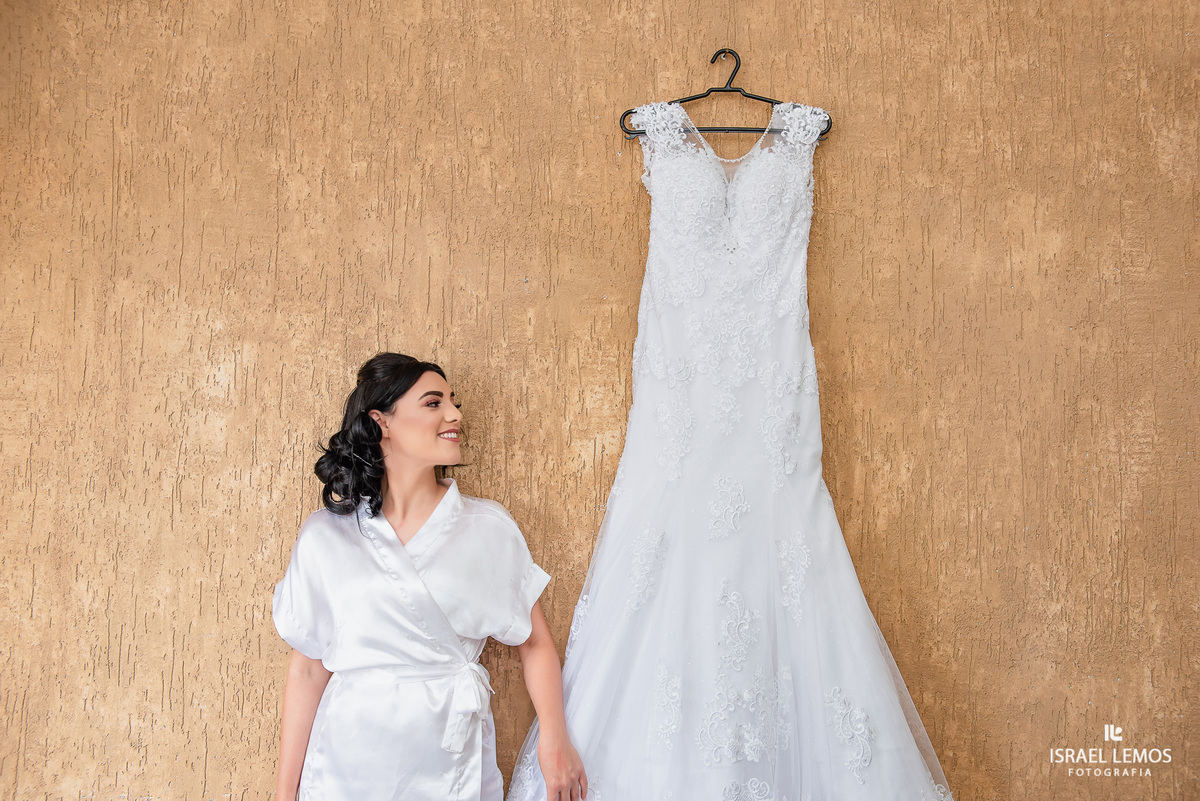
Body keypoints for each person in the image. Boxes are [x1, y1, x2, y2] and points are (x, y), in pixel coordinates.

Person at [273, 352, 587, 801]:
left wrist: (554, 739)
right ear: (381, 422)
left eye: (453, 402)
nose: (454, 414)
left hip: (449, 760)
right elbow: (307, 668)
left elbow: (534, 643)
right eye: (434, 403)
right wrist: (284, 794)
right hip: (345, 765)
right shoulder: (326, 535)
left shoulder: (487, 528)